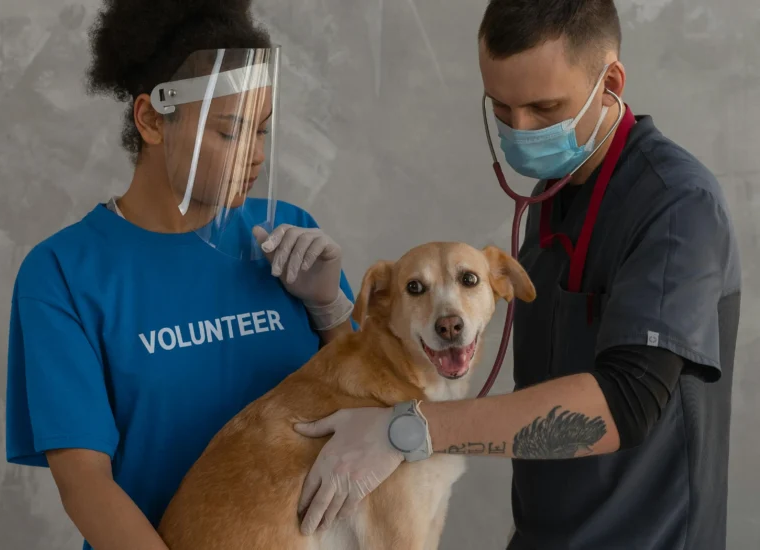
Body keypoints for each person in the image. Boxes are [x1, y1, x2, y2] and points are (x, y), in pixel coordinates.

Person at [293, 2, 741, 549]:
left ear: (611, 82)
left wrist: (405, 429)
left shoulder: (676, 205)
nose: (521, 129)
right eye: (502, 109)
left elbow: (626, 401)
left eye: (544, 108)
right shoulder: (553, 197)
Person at [4, 1, 356, 549]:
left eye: (263, 131)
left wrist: (330, 309)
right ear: (150, 120)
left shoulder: (289, 238)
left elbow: (373, 404)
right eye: (230, 132)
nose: (256, 156)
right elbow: (84, 484)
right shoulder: (64, 274)